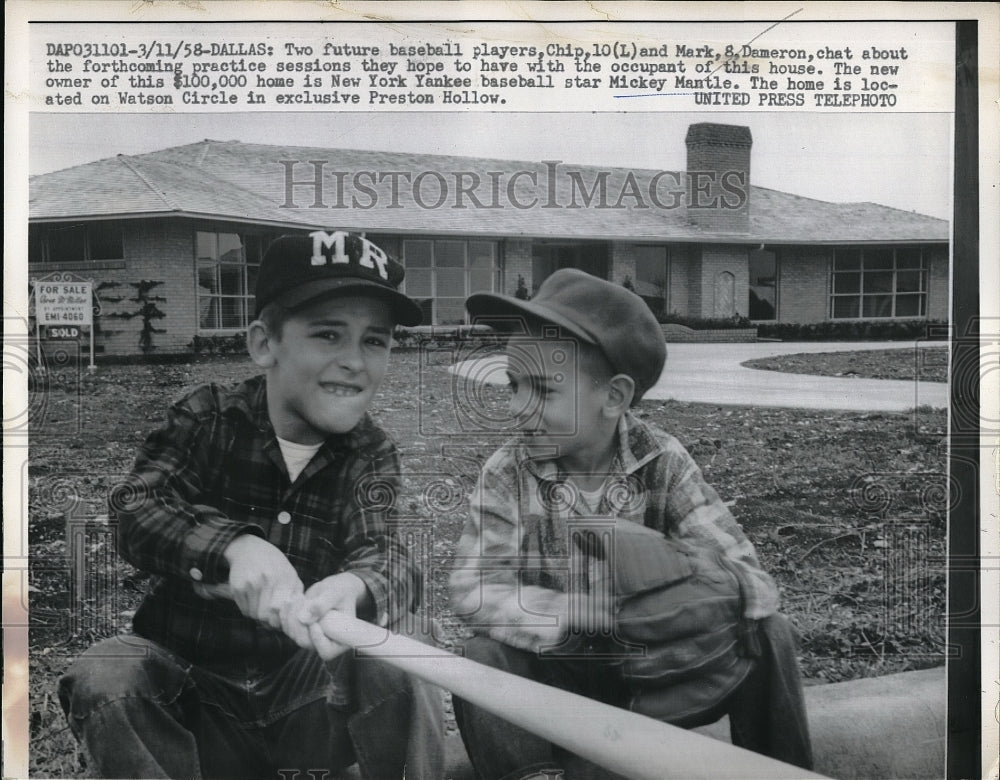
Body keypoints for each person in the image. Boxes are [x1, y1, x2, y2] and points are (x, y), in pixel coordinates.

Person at [59, 231, 444, 780]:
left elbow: (391, 554)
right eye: (328, 334)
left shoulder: (370, 452)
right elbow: (133, 508)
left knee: (407, 651)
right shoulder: (207, 418)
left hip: (307, 697)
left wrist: (356, 586)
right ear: (265, 344)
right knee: (107, 676)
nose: (354, 361)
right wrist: (233, 547)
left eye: (375, 341)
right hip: (193, 695)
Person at [449, 268, 812, 780]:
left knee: (769, 632)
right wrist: (575, 613)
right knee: (481, 658)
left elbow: (750, 576)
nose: (516, 407)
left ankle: (780, 770)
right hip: (561, 684)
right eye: (513, 385)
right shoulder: (508, 471)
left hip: (664, 676)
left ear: (615, 397)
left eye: (543, 390)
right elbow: (473, 585)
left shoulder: (662, 460)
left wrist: (707, 592)